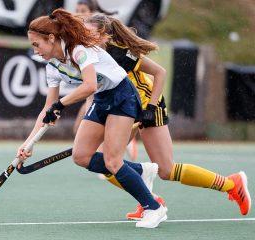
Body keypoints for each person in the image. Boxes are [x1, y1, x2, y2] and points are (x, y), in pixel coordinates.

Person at [84, 14, 251, 218]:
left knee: (166, 170)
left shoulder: (121, 54)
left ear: (104, 36)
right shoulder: (89, 56)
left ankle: (231, 184)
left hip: (148, 106)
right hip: (123, 111)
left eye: (88, 32)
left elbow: (160, 72)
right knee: (107, 164)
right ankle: (149, 199)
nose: (83, 37)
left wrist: (151, 109)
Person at [17, 8, 167, 228]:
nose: (35, 50)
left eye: (36, 44)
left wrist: (61, 104)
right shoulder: (52, 66)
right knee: (81, 156)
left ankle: (154, 208)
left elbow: (89, 85)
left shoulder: (78, 50)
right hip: (102, 98)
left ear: (51, 38)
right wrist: (28, 143)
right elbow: (48, 107)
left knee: (112, 161)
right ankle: (141, 171)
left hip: (122, 95)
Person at [73, 0, 138, 160]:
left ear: (92, 13)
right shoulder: (84, 46)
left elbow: (142, 62)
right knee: (78, 128)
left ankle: (124, 143)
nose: (78, 15)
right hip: (104, 92)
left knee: (106, 143)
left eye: (83, 10)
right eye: (77, 10)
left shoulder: (112, 46)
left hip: (126, 93)